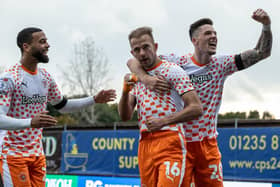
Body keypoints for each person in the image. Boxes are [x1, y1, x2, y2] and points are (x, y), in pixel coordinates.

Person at [127, 9, 272, 187]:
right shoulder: (177, 63)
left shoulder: (222, 64)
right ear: (195, 41)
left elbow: (261, 53)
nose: (214, 37)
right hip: (180, 143)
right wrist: (146, 79)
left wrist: (266, 25)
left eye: (215, 33)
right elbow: (133, 61)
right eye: (208, 34)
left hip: (207, 144)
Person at [0, 27, 116, 187]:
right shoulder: (9, 78)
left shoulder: (45, 77)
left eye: (47, 41)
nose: (48, 45)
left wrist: (94, 99)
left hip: (37, 155)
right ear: (26, 47)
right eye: (42, 42)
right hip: (13, 154)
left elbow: (63, 106)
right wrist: (30, 122)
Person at [119, 26, 202, 187]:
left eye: (146, 47)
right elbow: (125, 116)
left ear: (155, 47)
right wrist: (125, 90)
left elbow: (196, 107)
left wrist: (163, 121)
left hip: (170, 140)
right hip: (145, 144)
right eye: (137, 49)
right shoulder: (137, 78)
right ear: (133, 53)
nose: (142, 53)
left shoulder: (172, 71)